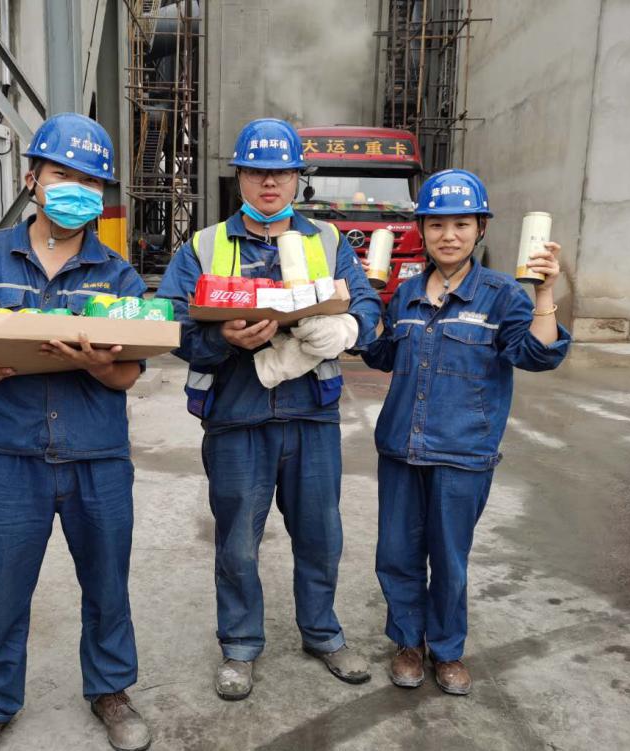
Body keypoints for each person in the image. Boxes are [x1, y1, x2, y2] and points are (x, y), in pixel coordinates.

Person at [0, 113, 152, 751]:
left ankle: (110, 690)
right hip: (10, 456)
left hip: (97, 456)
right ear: (32, 178)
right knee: (2, 590)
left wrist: (100, 365)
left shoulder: (119, 277)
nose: (77, 190)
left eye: (92, 181)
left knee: (107, 584)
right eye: (63, 175)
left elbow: (129, 373)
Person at [156, 118, 382, 700]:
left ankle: (322, 633)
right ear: (239, 177)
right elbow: (169, 322)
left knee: (320, 535)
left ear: (298, 177)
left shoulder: (326, 242)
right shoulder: (205, 246)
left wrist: (349, 328)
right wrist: (221, 339)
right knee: (237, 540)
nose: (270, 183)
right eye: (257, 172)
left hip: (311, 414)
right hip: (236, 414)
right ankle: (239, 645)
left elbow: (366, 302)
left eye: (281, 172)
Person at [361, 168, 570, 695]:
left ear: (481, 229)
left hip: (464, 452)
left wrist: (545, 293)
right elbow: (380, 354)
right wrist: (367, 301)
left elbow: (537, 354)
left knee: (449, 559)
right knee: (397, 554)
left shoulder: (502, 295)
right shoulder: (406, 293)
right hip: (401, 448)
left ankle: (448, 649)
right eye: (436, 225)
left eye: (461, 224)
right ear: (422, 231)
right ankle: (408, 644)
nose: (448, 235)